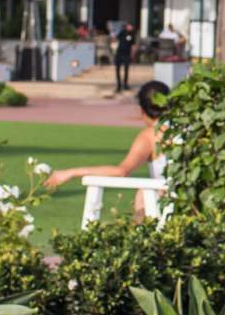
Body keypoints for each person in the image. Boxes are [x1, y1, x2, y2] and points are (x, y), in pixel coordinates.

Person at [46, 81, 169, 220]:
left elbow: (121, 171)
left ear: (142, 110)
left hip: (170, 205)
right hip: (191, 203)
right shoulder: (188, 129)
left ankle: (142, 237)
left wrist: (70, 173)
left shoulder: (150, 136)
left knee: (144, 194)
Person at [113, 19, 135, 94]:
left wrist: (132, 54)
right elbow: (115, 39)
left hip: (127, 54)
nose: (130, 27)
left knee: (126, 70)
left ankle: (125, 85)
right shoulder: (122, 32)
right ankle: (118, 85)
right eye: (129, 26)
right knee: (117, 70)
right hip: (119, 53)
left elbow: (133, 45)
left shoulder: (132, 34)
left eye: (131, 26)